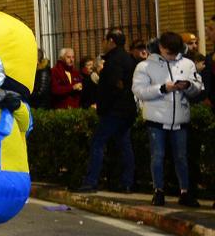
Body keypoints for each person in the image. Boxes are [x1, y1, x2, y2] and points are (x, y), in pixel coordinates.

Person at [131, 32, 204, 207]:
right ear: (161, 47)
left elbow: (199, 87)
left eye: (175, 53)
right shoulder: (145, 66)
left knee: (181, 157)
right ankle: (158, 191)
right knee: (157, 156)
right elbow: (139, 90)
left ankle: (185, 192)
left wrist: (188, 86)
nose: (172, 57)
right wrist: (162, 88)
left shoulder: (187, 64)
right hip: (156, 119)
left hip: (180, 118)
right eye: (169, 53)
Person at [73, 30, 137, 194]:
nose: (102, 43)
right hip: (126, 109)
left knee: (98, 143)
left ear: (111, 41)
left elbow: (115, 85)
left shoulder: (114, 60)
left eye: (104, 40)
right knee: (124, 144)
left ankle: (91, 181)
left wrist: (104, 106)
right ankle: (127, 182)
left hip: (114, 111)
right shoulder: (128, 58)